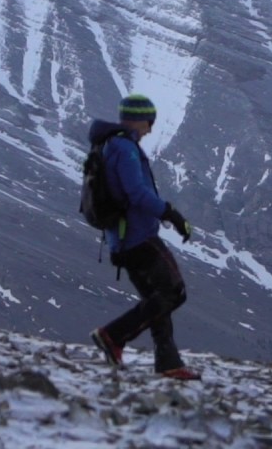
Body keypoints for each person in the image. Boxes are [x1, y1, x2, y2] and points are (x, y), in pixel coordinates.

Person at [88, 94, 201, 381]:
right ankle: (113, 335)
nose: (150, 129)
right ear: (138, 120)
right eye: (149, 123)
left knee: (155, 301)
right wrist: (172, 214)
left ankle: (168, 363)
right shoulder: (125, 149)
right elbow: (137, 194)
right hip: (139, 237)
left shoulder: (107, 145)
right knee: (174, 293)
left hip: (119, 240)